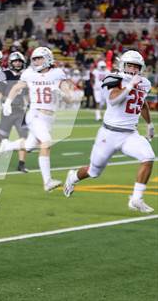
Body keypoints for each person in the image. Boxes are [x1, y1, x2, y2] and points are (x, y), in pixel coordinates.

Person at [63, 50, 155, 213]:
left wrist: (149, 124)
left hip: (129, 134)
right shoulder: (113, 78)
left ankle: (136, 198)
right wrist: (130, 86)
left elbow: (141, 102)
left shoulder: (144, 83)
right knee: (93, 171)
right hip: (109, 134)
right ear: (122, 65)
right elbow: (113, 100)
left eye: (136, 66)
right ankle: (73, 177)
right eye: (130, 65)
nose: (133, 69)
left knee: (148, 157)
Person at [0, 47, 77, 192]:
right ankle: (47, 181)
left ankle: (7, 146)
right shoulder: (29, 73)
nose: (36, 61)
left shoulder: (57, 74)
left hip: (49, 118)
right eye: (34, 59)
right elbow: (16, 87)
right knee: (46, 142)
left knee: (29, 145)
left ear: (48, 58)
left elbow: (70, 99)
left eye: (39, 58)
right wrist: (8, 102)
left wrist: (60, 93)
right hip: (34, 115)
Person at [0, 52, 29, 172]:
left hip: (21, 111)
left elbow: (27, 95)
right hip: (7, 111)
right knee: (2, 137)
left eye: (19, 61)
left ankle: (21, 164)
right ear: (11, 63)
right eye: (15, 61)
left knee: (25, 137)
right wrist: (6, 100)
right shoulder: (5, 74)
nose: (18, 63)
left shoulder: (25, 75)